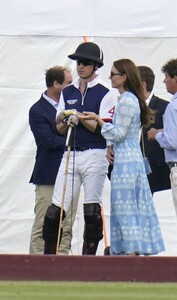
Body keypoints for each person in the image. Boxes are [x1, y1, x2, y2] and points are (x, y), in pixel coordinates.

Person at [80, 58, 165, 255]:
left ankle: (131, 250)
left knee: (125, 207)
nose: (110, 77)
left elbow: (118, 133)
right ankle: (130, 249)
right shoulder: (130, 99)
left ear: (123, 77)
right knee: (128, 205)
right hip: (127, 157)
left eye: (113, 74)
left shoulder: (127, 100)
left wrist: (98, 120)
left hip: (126, 162)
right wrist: (111, 145)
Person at [42, 41, 117, 255]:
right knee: (55, 211)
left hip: (95, 154)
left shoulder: (106, 93)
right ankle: (49, 259)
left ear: (95, 66)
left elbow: (102, 128)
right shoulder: (68, 92)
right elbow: (58, 127)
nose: (80, 66)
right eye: (77, 62)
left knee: (91, 212)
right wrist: (66, 120)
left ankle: (88, 261)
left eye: (85, 63)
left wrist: (80, 118)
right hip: (71, 153)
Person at [29, 65, 76, 254]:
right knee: (43, 224)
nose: (72, 87)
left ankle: (64, 266)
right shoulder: (37, 110)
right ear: (55, 84)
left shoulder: (72, 105)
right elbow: (48, 141)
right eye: (68, 83)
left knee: (67, 224)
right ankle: (35, 267)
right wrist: (74, 141)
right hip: (48, 174)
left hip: (71, 172)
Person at [147, 58, 177, 215]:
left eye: (166, 77)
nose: (164, 81)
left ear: (175, 78)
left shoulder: (172, 107)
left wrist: (157, 134)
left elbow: (172, 142)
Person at [138, 66, 171, 194]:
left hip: (157, 174)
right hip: (133, 169)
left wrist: (159, 132)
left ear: (142, 84)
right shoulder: (128, 106)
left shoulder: (165, 107)